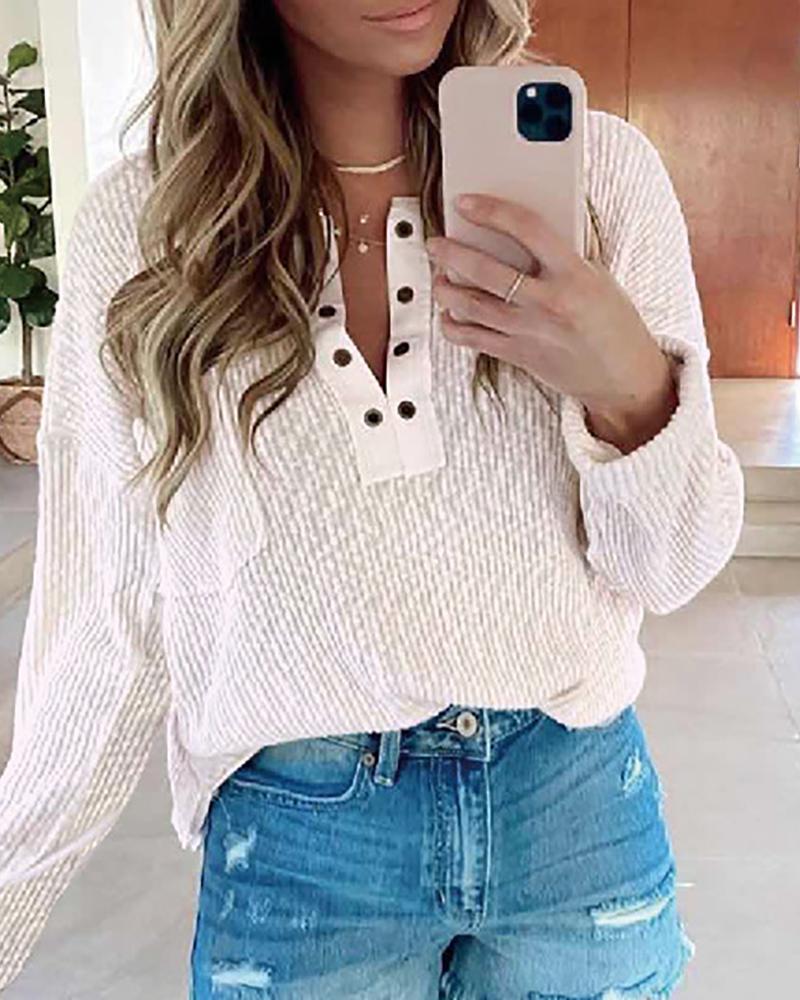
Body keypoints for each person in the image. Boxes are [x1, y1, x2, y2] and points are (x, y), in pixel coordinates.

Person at [0, 0, 745, 996]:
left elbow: (672, 566)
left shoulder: (601, 179)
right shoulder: (149, 235)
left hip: (574, 814)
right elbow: (106, 618)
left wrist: (631, 390)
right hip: (302, 849)